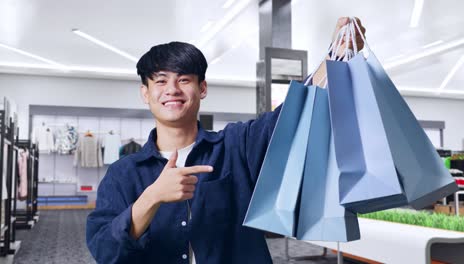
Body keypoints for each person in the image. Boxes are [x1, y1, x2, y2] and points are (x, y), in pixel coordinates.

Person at [86, 17, 366, 263]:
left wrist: (333, 59)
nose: (172, 89)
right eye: (160, 81)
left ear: (202, 88)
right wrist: (151, 197)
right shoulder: (123, 174)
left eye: (184, 79)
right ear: (145, 93)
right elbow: (105, 251)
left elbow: (291, 117)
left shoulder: (236, 145)